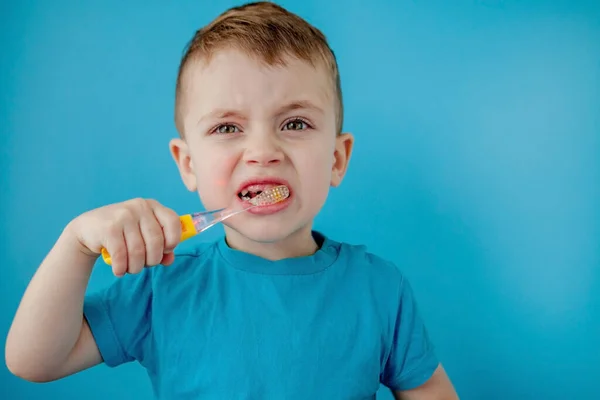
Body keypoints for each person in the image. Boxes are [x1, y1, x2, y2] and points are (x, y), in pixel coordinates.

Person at [5, 2, 459, 399]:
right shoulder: (161, 287)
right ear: (188, 164)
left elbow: (428, 390)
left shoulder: (379, 288)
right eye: (228, 128)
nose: (263, 151)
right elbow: (34, 361)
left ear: (337, 158)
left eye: (295, 123)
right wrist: (76, 244)